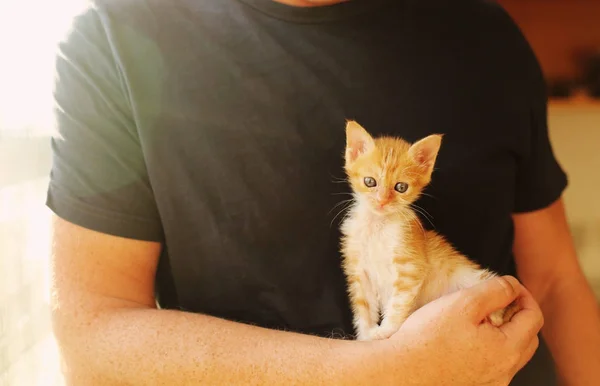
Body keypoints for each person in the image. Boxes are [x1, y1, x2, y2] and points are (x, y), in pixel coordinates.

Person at [47, 0, 600, 385]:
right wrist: (389, 374)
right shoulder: (114, 41)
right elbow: (91, 342)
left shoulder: (489, 35)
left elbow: (552, 277)